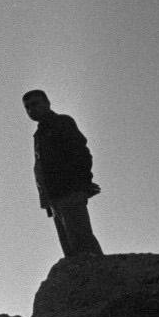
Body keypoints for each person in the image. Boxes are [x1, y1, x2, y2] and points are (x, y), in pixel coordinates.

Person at [22, 89, 104, 258]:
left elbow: (81, 153)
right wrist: (46, 200)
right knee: (71, 250)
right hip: (54, 198)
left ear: (47, 103)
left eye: (35, 104)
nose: (31, 109)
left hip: (69, 191)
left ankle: (103, 279)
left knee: (83, 244)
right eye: (27, 107)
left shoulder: (61, 123)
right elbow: (41, 168)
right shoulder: (39, 134)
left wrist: (83, 183)